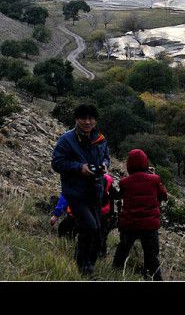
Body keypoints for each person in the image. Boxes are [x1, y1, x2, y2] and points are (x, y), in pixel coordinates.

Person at [51, 104, 110, 276]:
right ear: (76, 119)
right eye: (83, 118)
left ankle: (89, 265)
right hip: (75, 193)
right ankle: (82, 265)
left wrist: (105, 166)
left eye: (91, 118)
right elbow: (57, 163)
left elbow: (106, 157)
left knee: (97, 229)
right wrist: (79, 168)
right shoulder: (67, 139)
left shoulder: (100, 138)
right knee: (89, 226)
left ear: (95, 120)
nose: (87, 122)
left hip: (95, 191)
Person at [113, 149, 168, 281]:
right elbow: (164, 196)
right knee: (152, 256)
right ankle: (155, 278)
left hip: (129, 224)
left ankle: (115, 273)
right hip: (149, 226)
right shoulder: (154, 179)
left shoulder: (124, 182)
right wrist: (154, 177)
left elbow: (120, 196)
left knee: (123, 249)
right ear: (145, 163)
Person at [50, 174, 118, 251]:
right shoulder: (107, 179)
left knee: (63, 230)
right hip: (100, 217)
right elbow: (113, 197)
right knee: (98, 241)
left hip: (78, 216)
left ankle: (69, 250)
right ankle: (99, 254)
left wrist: (56, 215)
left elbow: (66, 196)